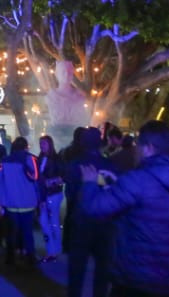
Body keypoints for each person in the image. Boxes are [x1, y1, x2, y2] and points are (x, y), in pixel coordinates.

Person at [79, 120, 169, 297]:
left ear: (147, 148)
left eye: (137, 145)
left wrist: (89, 184)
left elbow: (95, 208)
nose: (135, 150)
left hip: (139, 277)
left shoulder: (138, 179)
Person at [65, 127, 116, 297]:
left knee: (77, 270)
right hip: (105, 222)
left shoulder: (74, 165)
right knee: (102, 269)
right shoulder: (110, 165)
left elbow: (70, 195)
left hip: (81, 222)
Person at [0, 137, 39, 266]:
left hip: (11, 202)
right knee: (27, 231)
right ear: (26, 147)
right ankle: (29, 256)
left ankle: (10, 257)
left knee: (11, 231)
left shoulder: (5, 162)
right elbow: (35, 177)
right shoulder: (31, 159)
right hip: (27, 202)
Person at [37, 135, 65, 262]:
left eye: (44, 143)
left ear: (50, 144)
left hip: (53, 194)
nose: (41, 146)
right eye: (40, 143)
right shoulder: (40, 158)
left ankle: (53, 250)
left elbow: (63, 177)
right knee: (47, 221)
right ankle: (53, 249)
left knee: (52, 221)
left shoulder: (56, 159)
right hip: (44, 194)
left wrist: (51, 181)